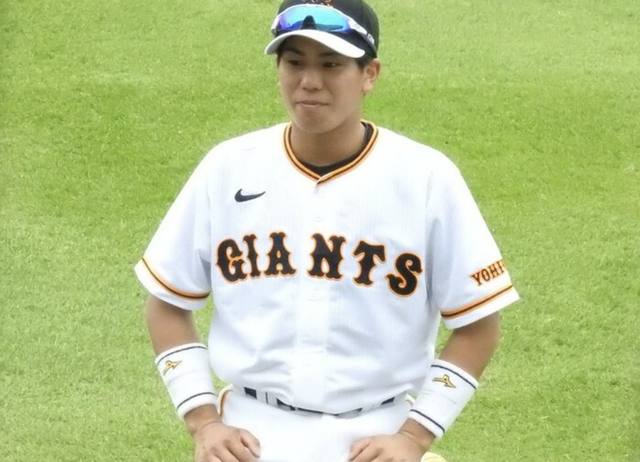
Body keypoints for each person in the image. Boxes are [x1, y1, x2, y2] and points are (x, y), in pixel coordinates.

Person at [135, 1, 520, 461]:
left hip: (379, 434)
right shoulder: (228, 167)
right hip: (251, 434)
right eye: (294, 62)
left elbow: (479, 323)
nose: (309, 81)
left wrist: (414, 438)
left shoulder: (426, 179)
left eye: (331, 64)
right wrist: (203, 421)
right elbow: (167, 302)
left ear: (369, 74)